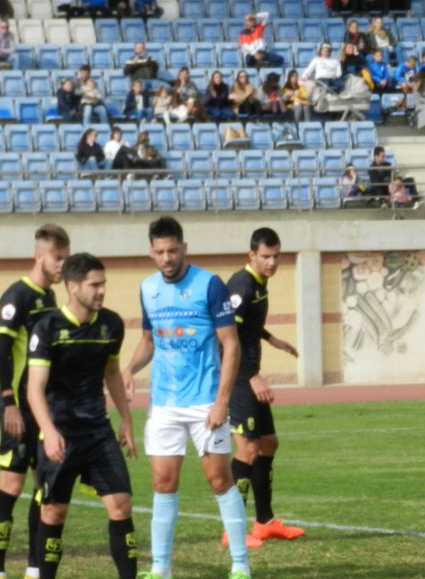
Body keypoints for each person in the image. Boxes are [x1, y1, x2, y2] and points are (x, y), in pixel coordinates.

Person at [122, 217, 250, 579]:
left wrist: (222, 401)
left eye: (173, 250)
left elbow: (231, 344)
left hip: (205, 402)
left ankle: (240, 565)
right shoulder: (147, 289)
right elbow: (149, 340)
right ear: (151, 252)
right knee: (163, 483)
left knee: (219, 480)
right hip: (164, 403)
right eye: (160, 252)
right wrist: (128, 370)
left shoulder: (210, 285)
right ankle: (160, 568)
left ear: (184, 248)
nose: (167, 258)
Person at [25, 253, 136, 579]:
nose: (101, 291)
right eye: (94, 285)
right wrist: (49, 431)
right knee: (54, 512)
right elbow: (35, 388)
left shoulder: (111, 324)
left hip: (98, 432)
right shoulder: (47, 328)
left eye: (103, 284)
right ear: (73, 287)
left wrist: (126, 419)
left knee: (121, 505)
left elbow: (113, 373)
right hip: (60, 433)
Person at [0, 225, 70, 579]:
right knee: (12, 485)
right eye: (57, 257)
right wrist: (9, 402)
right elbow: (0, 352)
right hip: (18, 406)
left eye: (66, 258)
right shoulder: (16, 296)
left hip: (43, 409)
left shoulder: (50, 299)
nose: (62, 264)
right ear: (40, 256)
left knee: (43, 488)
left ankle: (35, 568)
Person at [222, 228, 304, 548]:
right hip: (238, 379)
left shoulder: (258, 284)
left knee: (268, 443)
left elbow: (249, 324)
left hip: (249, 376)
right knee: (248, 449)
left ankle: (265, 522)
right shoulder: (241, 286)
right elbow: (225, 333)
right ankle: (232, 529)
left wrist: (272, 340)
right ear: (251, 255)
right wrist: (250, 375)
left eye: (276, 255)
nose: (271, 262)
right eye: (265, 256)